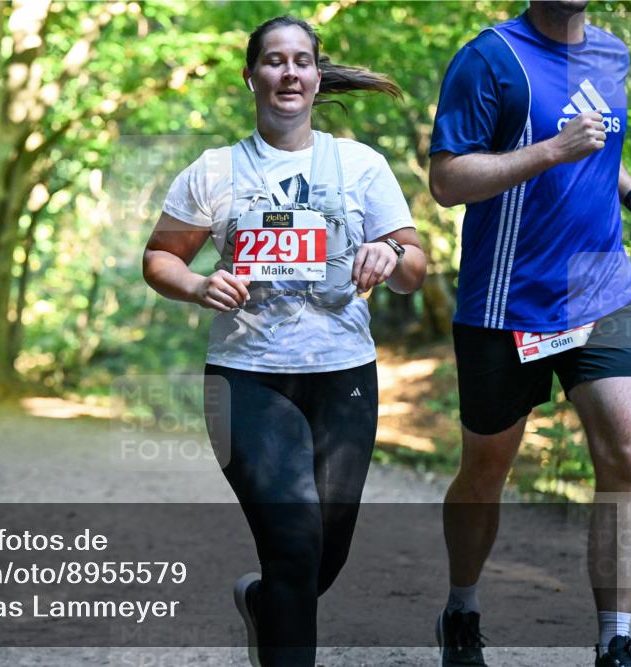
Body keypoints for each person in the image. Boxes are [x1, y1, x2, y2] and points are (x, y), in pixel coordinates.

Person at [142, 15, 426, 666]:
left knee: (323, 551)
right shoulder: (213, 171)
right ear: (252, 77)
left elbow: (414, 269)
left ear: (317, 76)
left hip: (344, 375)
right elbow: (160, 256)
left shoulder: (361, 166)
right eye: (274, 60)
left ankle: (268, 604)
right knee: (295, 541)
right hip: (245, 375)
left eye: (301, 60)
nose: (288, 72)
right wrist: (195, 284)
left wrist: (388, 252)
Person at [428, 2, 631, 666]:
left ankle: (618, 636)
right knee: (486, 468)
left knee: (629, 454)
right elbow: (447, 178)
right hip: (507, 297)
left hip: (599, 283)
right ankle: (462, 606)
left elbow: (599, 154)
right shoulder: (489, 58)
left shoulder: (612, 54)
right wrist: (550, 150)